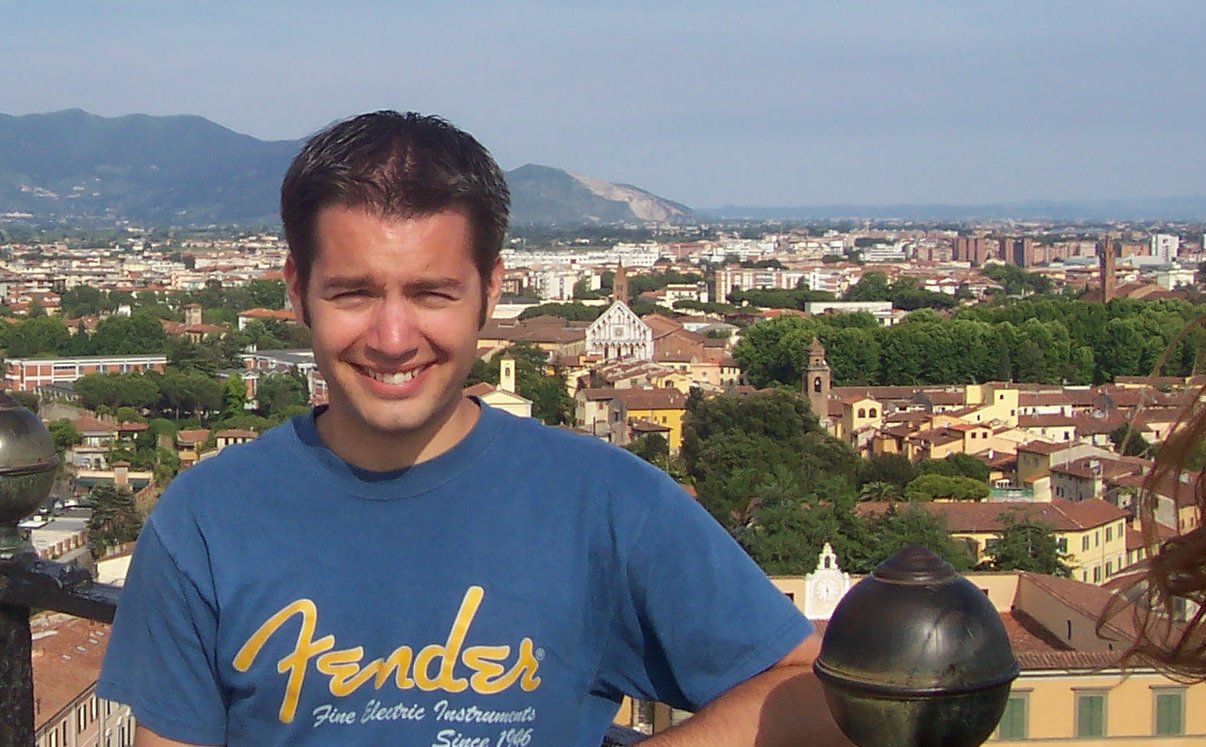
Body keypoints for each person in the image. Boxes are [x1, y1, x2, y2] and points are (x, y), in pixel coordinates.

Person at [98, 111, 821, 746]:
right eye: (353, 292)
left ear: (491, 290)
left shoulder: (608, 506)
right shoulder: (204, 522)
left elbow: (810, 692)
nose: (391, 336)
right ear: (297, 292)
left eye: (430, 293)